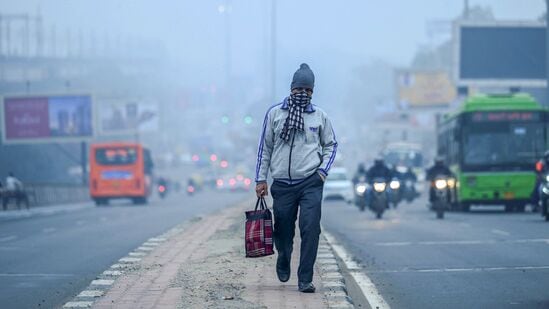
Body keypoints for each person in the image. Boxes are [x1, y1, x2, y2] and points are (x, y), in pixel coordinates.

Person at [255, 63, 337, 293]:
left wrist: (322, 172)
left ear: (313, 91)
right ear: (291, 88)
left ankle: (305, 279)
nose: (303, 93)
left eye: (308, 90)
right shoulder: (275, 114)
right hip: (282, 184)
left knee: (310, 228)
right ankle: (283, 256)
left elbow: (331, 145)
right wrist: (260, 180)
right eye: (299, 88)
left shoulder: (320, 116)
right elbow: (265, 148)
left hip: (310, 182)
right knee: (283, 231)